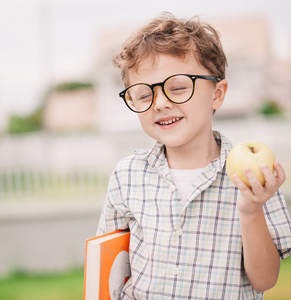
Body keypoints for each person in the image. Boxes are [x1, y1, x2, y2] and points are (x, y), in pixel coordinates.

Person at [97, 12, 291, 299]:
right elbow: (107, 265)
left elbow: (264, 280)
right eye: (142, 94)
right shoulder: (127, 175)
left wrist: (251, 210)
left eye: (177, 88)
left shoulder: (255, 178)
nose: (160, 103)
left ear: (217, 94)